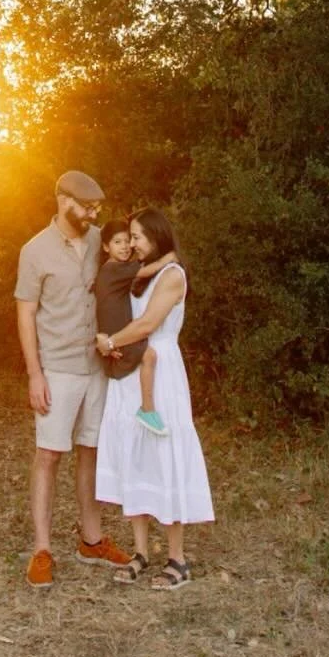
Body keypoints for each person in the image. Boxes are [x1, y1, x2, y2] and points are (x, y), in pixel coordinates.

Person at [14, 171, 133, 588]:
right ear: (63, 200)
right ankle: (42, 550)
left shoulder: (102, 242)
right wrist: (34, 374)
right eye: (86, 206)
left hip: (97, 367)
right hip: (58, 368)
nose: (93, 213)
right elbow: (26, 314)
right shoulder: (34, 251)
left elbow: (137, 266)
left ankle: (91, 539)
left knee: (91, 451)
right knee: (49, 455)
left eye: (97, 207)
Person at [93, 207, 214, 590]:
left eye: (138, 236)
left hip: (160, 371)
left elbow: (147, 325)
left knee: (164, 456)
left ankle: (177, 559)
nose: (131, 243)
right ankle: (141, 552)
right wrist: (113, 344)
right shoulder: (138, 276)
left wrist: (111, 341)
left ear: (157, 236)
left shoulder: (172, 276)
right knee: (134, 457)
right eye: (128, 236)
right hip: (130, 368)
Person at [92, 219, 169, 434]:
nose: (126, 246)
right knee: (149, 356)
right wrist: (169, 258)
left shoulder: (111, 269)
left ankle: (144, 411)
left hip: (113, 329)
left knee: (145, 359)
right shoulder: (115, 269)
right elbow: (146, 270)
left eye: (128, 241)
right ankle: (147, 409)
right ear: (106, 247)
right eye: (118, 242)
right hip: (116, 331)